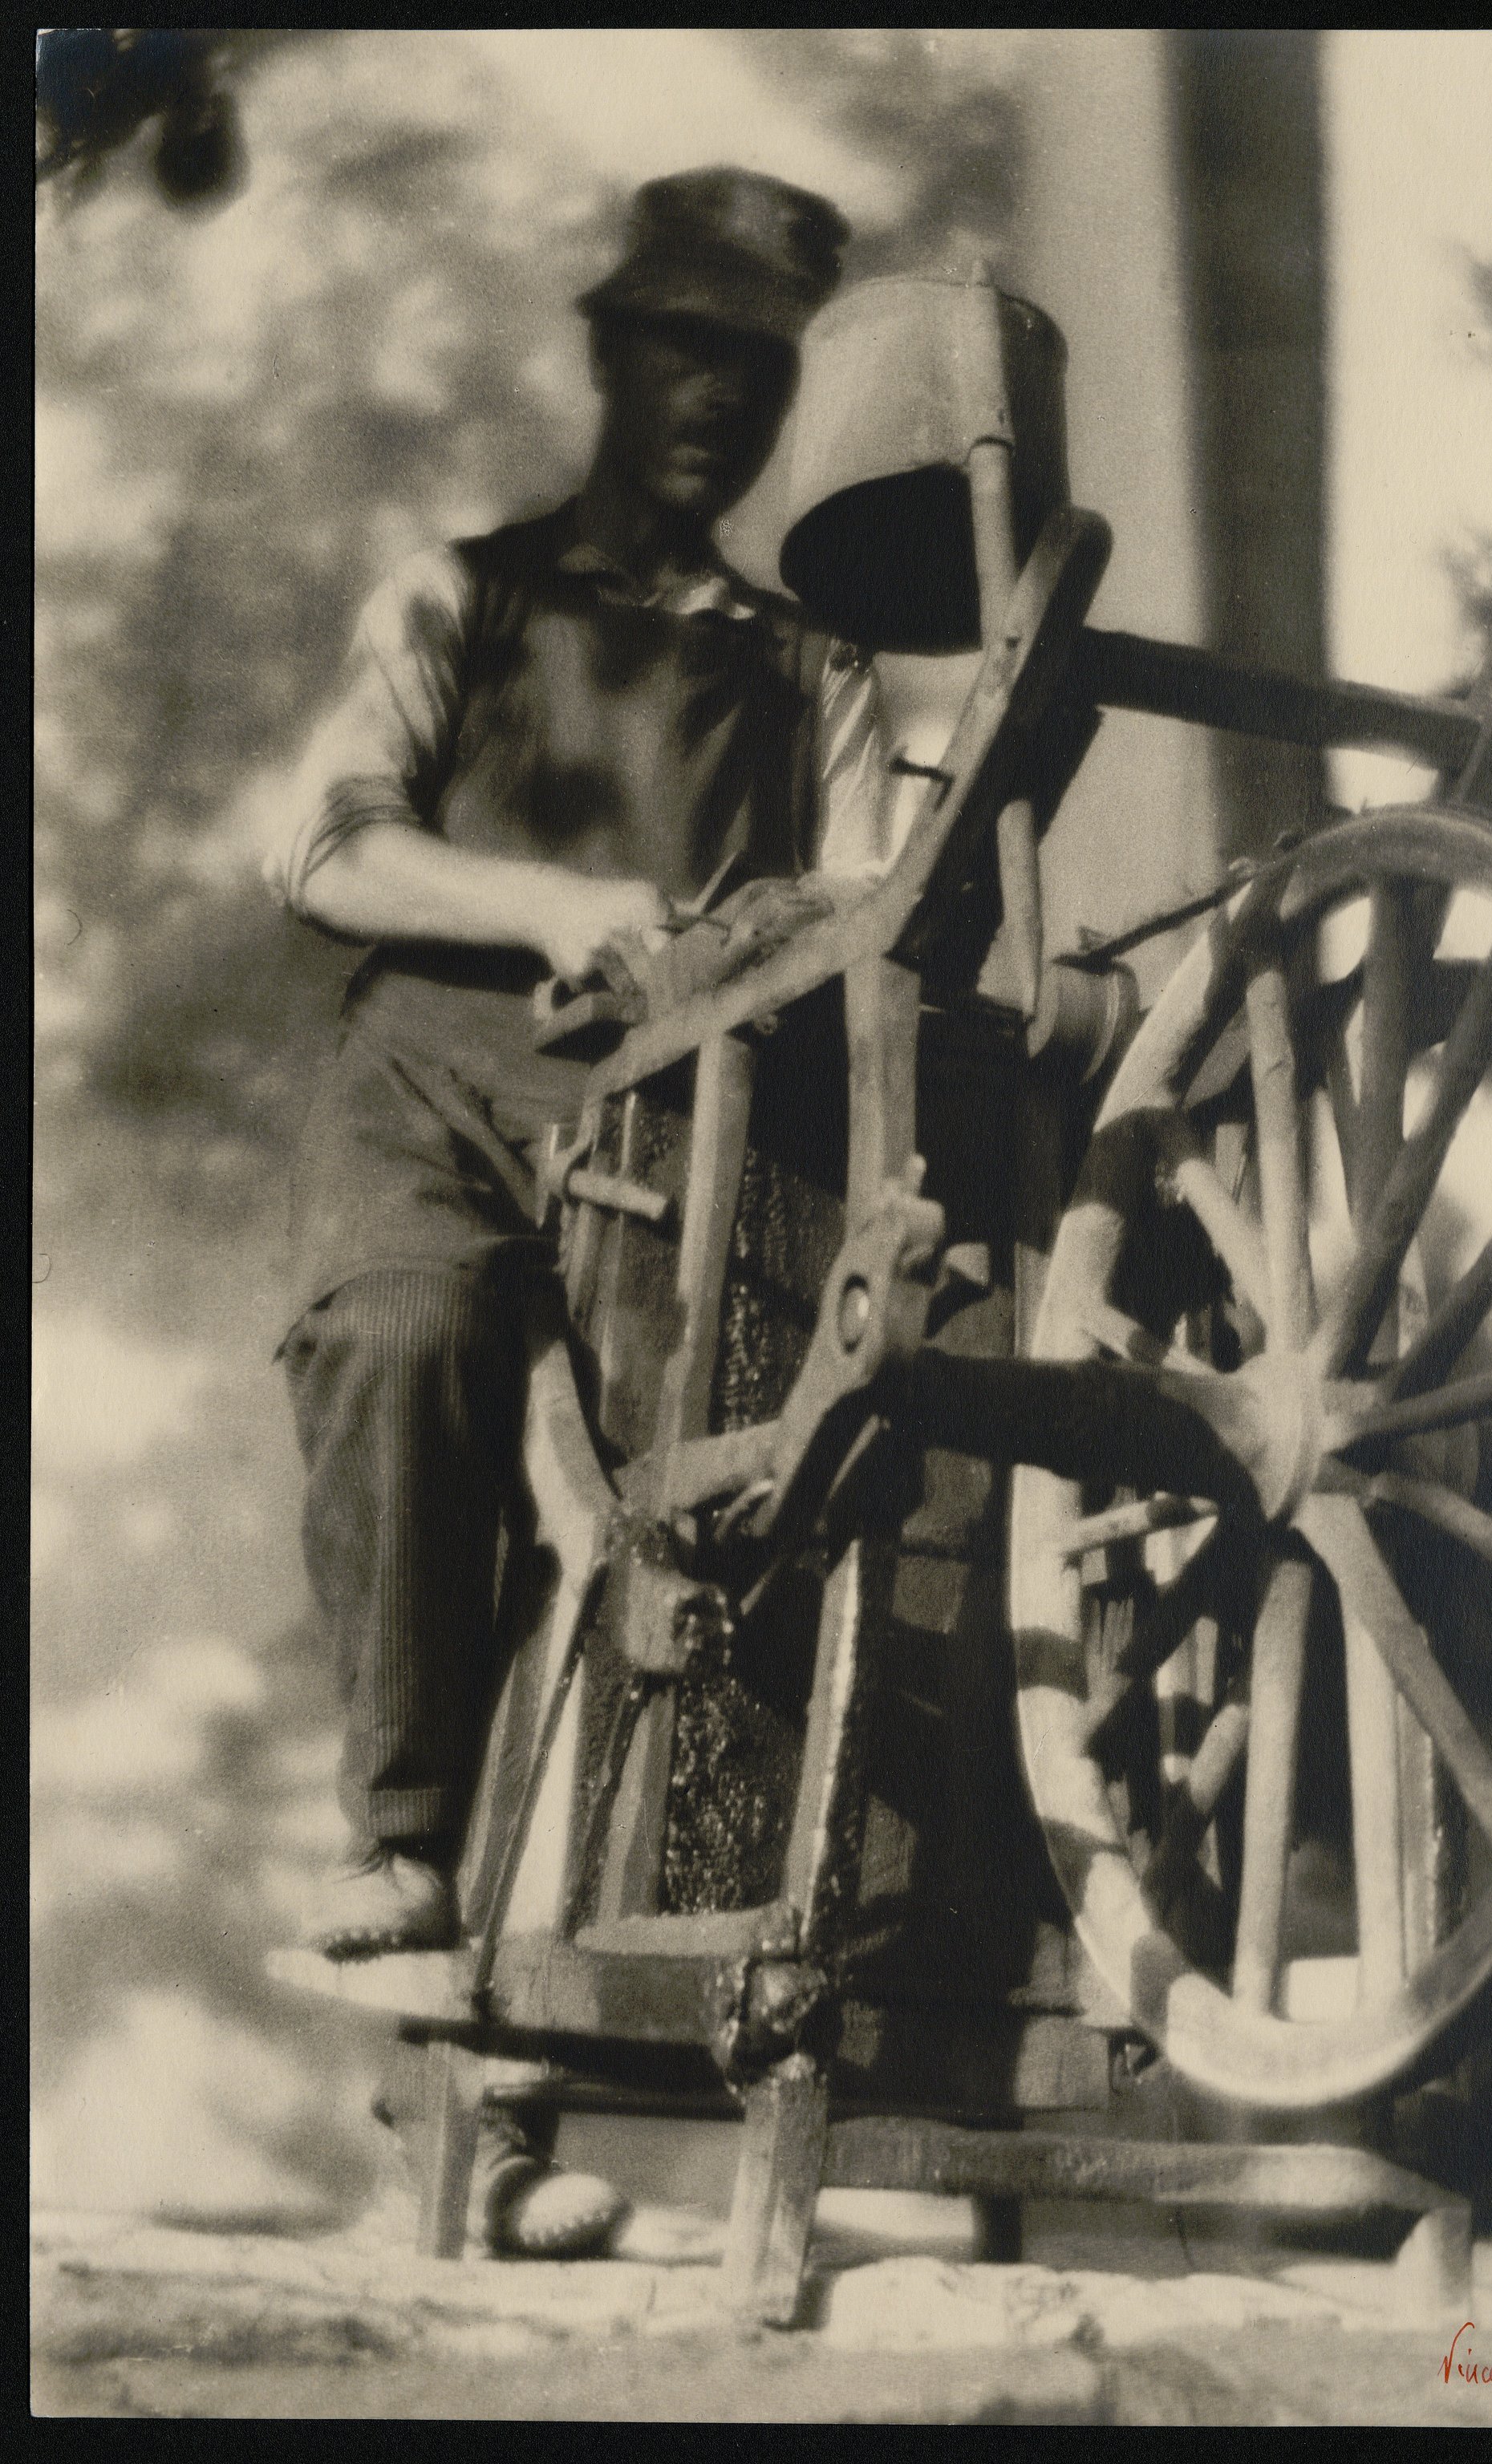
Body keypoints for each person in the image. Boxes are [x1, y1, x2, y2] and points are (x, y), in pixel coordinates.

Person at [262, 168, 894, 2255]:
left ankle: (526, 2129)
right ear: (611, 359)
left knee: (684, 1548)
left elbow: (885, 904)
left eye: (758, 364)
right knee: (411, 1341)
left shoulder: (818, 673)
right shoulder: (462, 596)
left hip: (693, 1132)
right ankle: (398, 1855)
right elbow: (327, 845)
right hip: (440, 1085)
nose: (717, 397)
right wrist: (555, 900)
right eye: (681, 348)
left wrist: (777, 932)